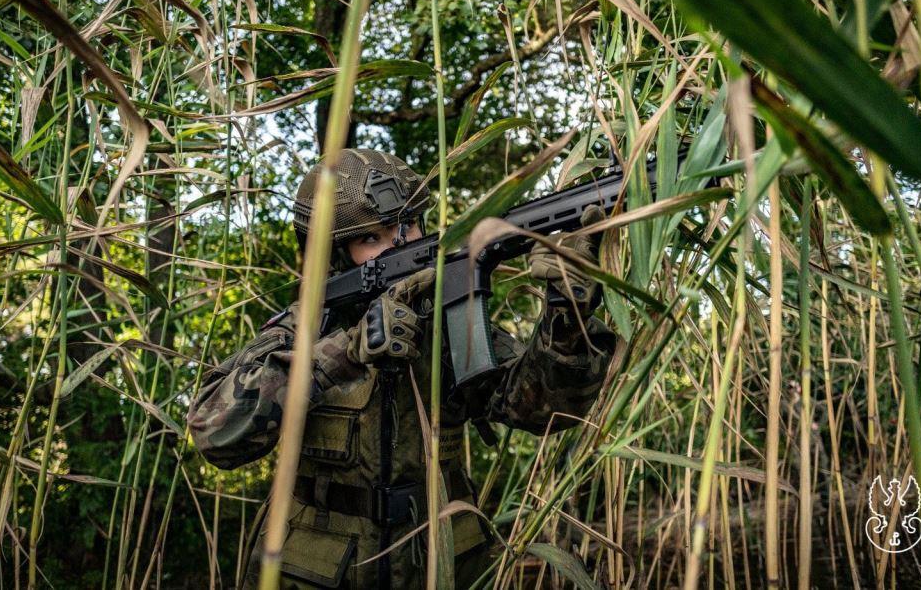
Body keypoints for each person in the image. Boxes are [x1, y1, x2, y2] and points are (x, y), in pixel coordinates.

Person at [187, 148, 615, 589]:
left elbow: (542, 411)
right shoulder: (306, 328)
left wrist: (567, 313)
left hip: (439, 562)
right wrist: (345, 352)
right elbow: (213, 433)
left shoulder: (449, 321)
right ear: (333, 257)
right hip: (317, 569)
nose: (402, 244)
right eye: (373, 238)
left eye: (408, 224)